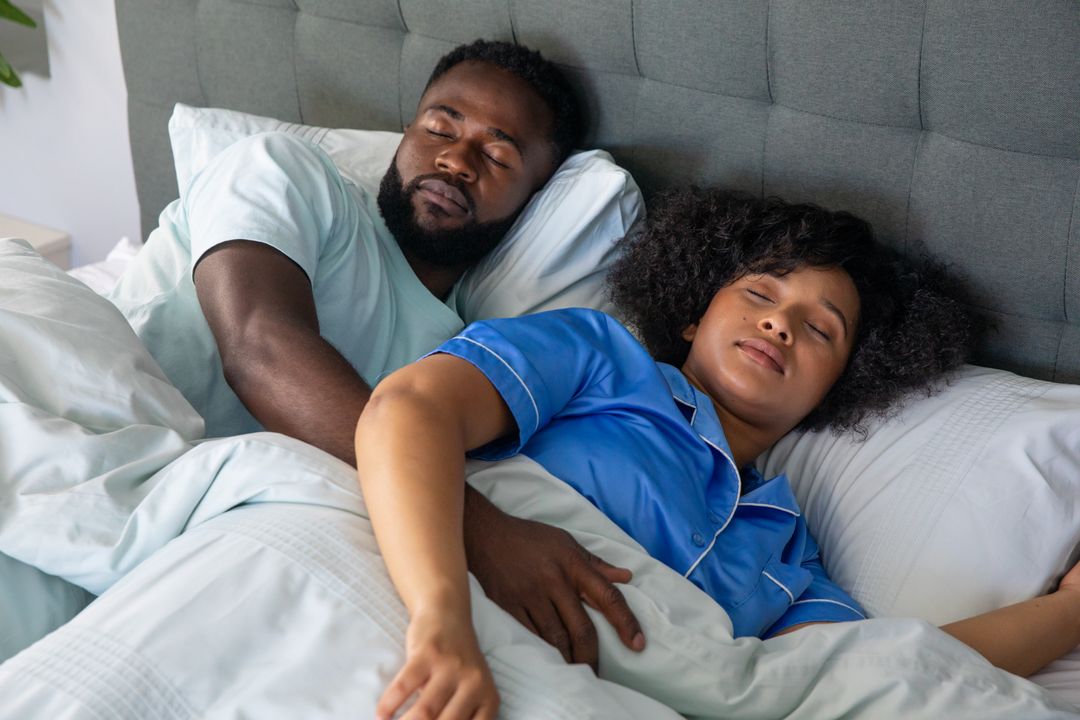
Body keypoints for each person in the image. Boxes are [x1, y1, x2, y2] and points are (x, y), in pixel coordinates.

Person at [354, 188, 1080, 720]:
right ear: (696, 312)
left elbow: (900, 672)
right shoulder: (599, 357)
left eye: (821, 330)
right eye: (760, 292)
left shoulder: (785, 548)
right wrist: (440, 615)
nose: (779, 321)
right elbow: (409, 409)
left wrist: (1070, 610)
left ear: (836, 386)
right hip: (440, 598)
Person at [107, 40, 643, 669]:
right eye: (440, 126)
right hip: (96, 421)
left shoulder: (459, 363)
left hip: (197, 521)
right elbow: (259, 347)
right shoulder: (286, 173)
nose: (456, 159)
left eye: (497, 155)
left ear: (532, 198)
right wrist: (484, 532)